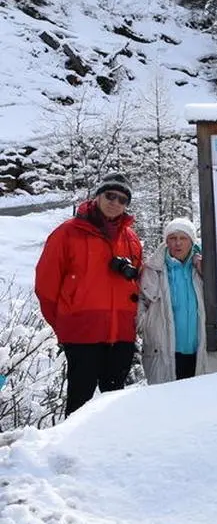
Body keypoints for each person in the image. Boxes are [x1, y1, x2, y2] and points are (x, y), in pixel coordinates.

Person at [35, 173, 143, 417]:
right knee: (79, 401)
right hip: (81, 334)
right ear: (98, 196)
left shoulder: (131, 239)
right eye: (110, 195)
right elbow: (46, 285)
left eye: (122, 199)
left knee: (115, 404)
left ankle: (113, 451)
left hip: (121, 335)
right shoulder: (67, 233)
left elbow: (140, 281)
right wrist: (64, 325)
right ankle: (71, 453)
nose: (115, 202)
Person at [137, 218, 217, 384]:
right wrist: (145, 325)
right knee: (168, 403)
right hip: (163, 348)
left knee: (203, 401)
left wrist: (206, 274)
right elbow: (141, 299)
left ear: (192, 241)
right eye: (172, 238)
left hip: (201, 349)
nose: (177, 243)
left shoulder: (207, 265)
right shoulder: (153, 268)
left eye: (183, 238)